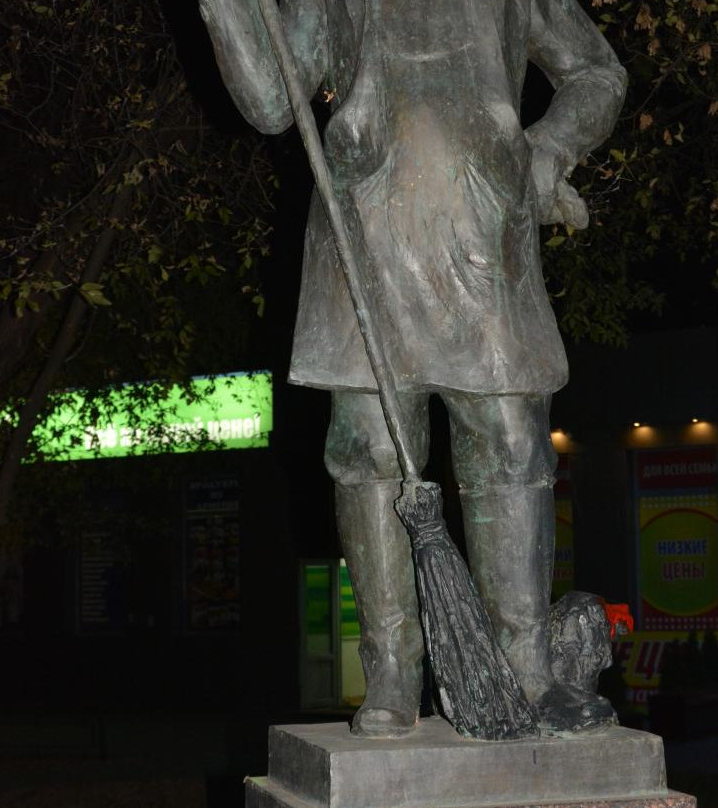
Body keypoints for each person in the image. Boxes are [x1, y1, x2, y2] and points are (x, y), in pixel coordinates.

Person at [200, 0, 627, 737]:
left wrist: (549, 149)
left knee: (510, 444)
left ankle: (526, 669)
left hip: (483, 231)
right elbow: (272, 101)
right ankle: (392, 670)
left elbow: (597, 72)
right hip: (365, 231)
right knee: (368, 452)